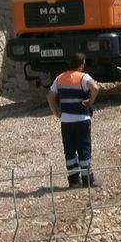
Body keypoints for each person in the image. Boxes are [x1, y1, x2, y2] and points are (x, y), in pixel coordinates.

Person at [47, 53, 101, 188]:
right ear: (81, 65)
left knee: (69, 150)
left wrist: (57, 112)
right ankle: (88, 179)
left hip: (66, 120)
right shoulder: (83, 77)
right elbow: (96, 88)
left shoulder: (60, 78)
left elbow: (50, 96)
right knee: (84, 149)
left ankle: (73, 181)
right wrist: (90, 101)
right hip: (82, 119)